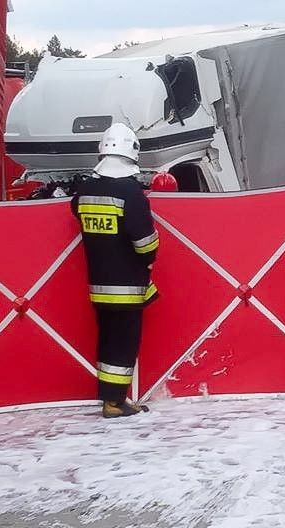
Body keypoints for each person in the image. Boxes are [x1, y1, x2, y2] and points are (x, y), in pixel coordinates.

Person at [71, 123, 160, 418]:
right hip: (127, 286)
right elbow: (145, 243)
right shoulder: (131, 193)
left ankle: (110, 398)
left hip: (98, 284)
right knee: (124, 343)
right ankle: (115, 402)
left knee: (108, 340)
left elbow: (75, 208)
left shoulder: (86, 190)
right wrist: (151, 254)